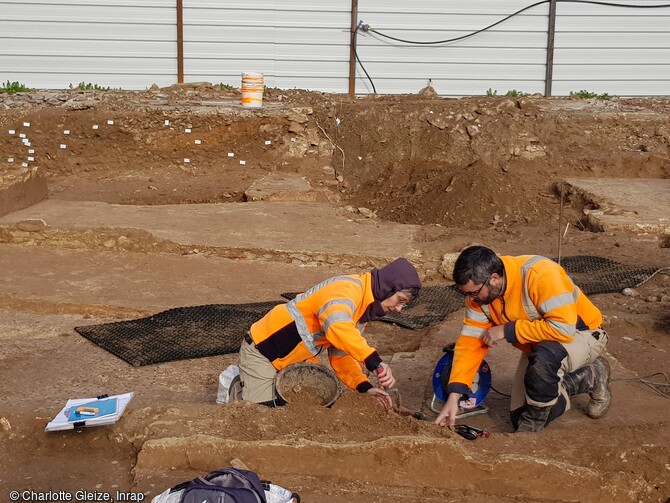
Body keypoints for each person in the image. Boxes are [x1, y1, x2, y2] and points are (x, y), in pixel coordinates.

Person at [434, 246, 610, 433]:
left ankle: (589, 375)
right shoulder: (479, 297)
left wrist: (507, 330)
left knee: (544, 365)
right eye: (467, 294)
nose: (471, 299)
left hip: (581, 334)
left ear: (493, 278)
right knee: (520, 415)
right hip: (538, 345)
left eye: (474, 293)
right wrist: (454, 396)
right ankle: (576, 380)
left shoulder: (540, 274)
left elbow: (563, 329)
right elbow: (470, 343)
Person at [236, 258, 421, 409]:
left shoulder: (362, 310)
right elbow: (337, 326)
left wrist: (365, 388)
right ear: (389, 288)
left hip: (296, 361)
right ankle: (238, 388)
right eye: (400, 300)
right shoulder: (347, 290)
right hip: (263, 353)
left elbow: (342, 355)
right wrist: (375, 362)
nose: (398, 309)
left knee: (306, 410)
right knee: (261, 413)